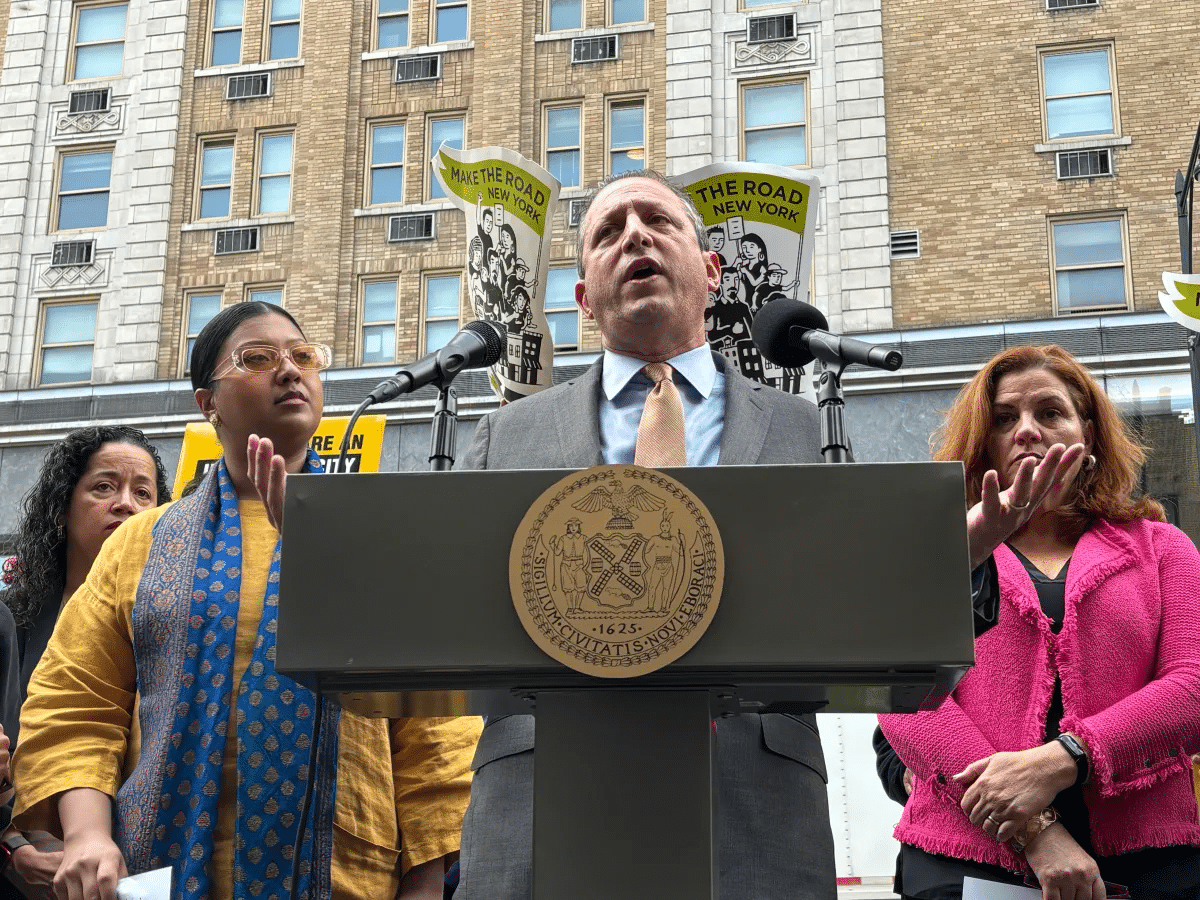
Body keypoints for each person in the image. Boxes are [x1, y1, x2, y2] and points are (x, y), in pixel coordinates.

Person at [12, 302, 482, 900]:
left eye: (303, 356)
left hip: (348, 878)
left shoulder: (385, 535)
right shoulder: (140, 544)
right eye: (258, 358)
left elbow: (434, 730)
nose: (290, 370)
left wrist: (424, 888)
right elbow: (77, 702)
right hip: (156, 875)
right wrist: (85, 837)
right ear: (208, 402)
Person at [453, 169, 837, 900]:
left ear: (712, 270)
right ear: (583, 300)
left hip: (750, 804)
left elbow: (850, 601)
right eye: (608, 231)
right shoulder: (505, 436)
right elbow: (456, 611)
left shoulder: (803, 428)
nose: (635, 235)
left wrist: (962, 553)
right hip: (543, 795)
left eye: (658, 221)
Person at [875, 344, 1200, 900]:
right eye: (1005, 418)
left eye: (1050, 412)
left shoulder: (1162, 548)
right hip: (966, 854)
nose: (1027, 430)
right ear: (984, 439)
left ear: (1088, 433)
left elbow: (1190, 686)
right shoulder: (935, 547)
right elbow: (901, 691)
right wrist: (1034, 831)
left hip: (1150, 855)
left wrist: (1065, 758)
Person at [1, 426, 171, 898]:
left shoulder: (176, 629)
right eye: (104, 487)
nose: (126, 504)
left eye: (144, 493)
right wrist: (11, 845)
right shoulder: (10, 624)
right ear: (62, 509)